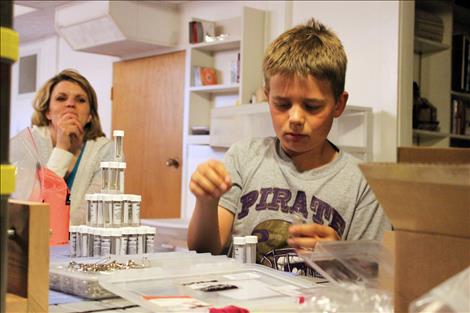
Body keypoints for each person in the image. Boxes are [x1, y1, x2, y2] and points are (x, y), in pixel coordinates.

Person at [187, 18, 391, 276]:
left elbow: (377, 279)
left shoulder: (364, 183)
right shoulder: (243, 157)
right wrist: (206, 202)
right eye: (282, 104)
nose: (295, 118)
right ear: (267, 97)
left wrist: (339, 255)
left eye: (312, 106)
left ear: (339, 104)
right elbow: (204, 249)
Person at [10, 69, 114, 225]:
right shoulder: (25, 144)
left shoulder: (106, 150)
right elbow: (32, 209)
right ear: (48, 112)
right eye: (61, 98)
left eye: (80, 100)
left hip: (80, 243)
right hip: (32, 241)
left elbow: (95, 212)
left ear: (90, 115)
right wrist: (62, 149)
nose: (70, 104)